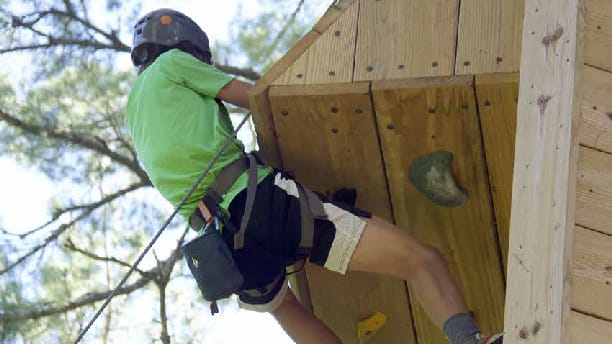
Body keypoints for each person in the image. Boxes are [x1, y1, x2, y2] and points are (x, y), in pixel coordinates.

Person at [125, 8, 503, 344]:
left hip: (225, 248)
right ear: (182, 45)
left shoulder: (133, 112)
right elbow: (254, 98)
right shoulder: (173, 64)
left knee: (285, 306)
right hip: (263, 206)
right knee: (421, 260)